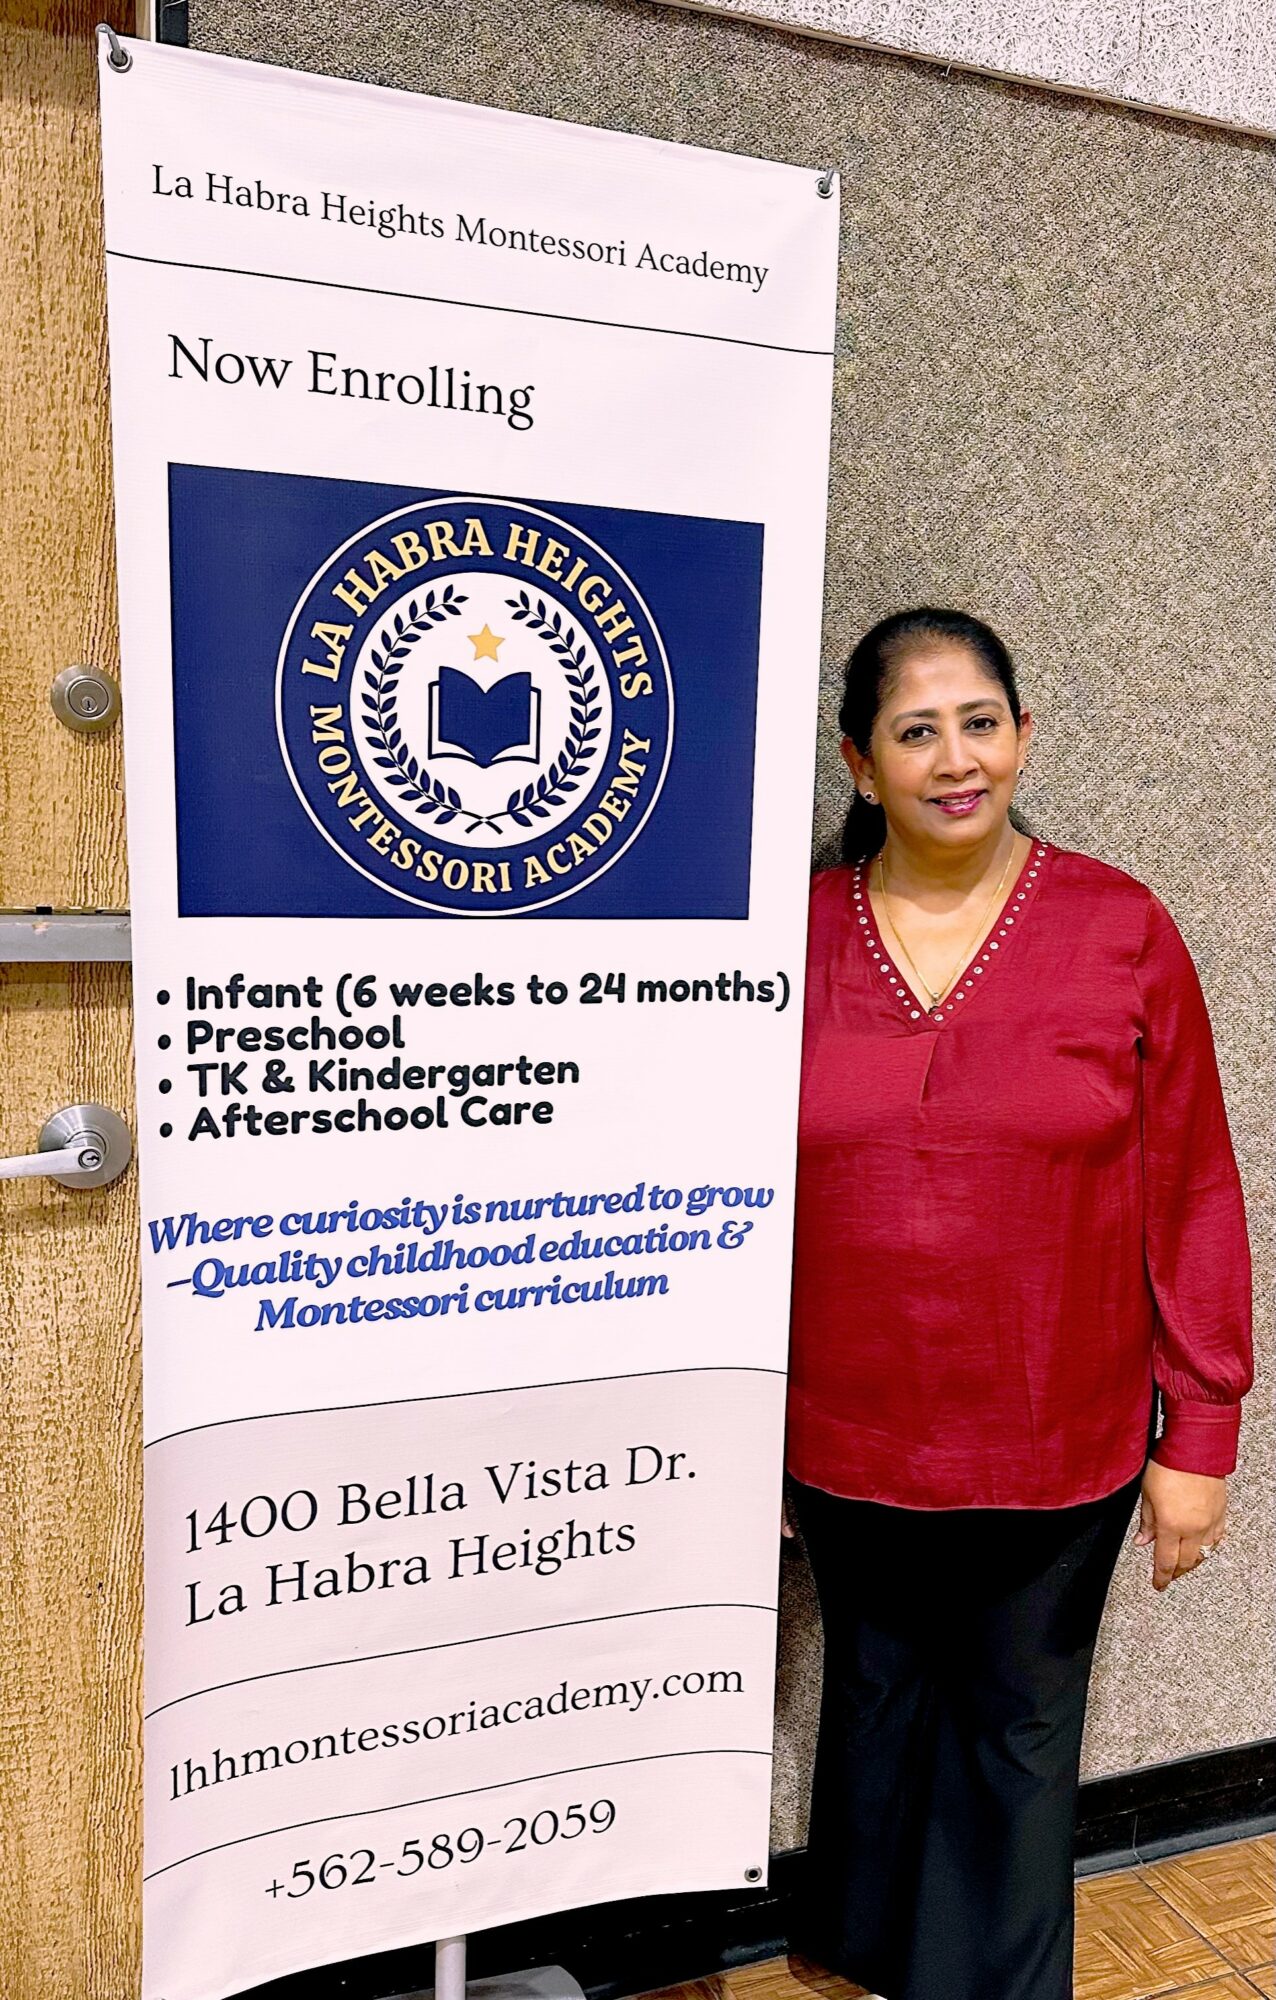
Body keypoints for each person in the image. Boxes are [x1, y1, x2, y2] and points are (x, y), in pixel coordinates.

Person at [783, 607, 1253, 2000]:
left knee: (1015, 1733)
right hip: (847, 1438)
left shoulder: (1120, 929)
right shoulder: (786, 940)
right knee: (872, 1703)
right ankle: (866, 1962)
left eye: (979, 722)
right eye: (915, 731)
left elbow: (1195, 1193)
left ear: (1024, 737)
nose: (954, 757)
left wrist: (1200, 1439)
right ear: (860, 763)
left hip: (1061, 1442)